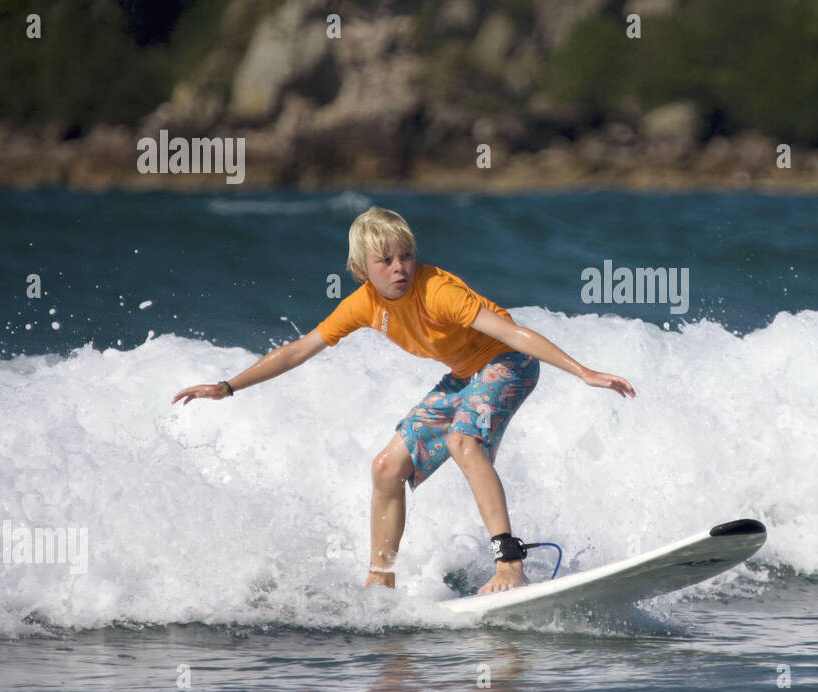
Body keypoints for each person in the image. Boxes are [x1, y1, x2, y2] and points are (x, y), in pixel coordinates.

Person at [172, 205, 635, 594]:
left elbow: (513, 333)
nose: (399, 268)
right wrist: (227, 386)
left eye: (406, 256)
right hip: (464, 376)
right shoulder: (363, 304)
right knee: (385, 467)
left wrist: (584, 372)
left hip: (508, 363)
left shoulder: (439, 292)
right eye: (386, 261)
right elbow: (298, 350)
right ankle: (381, 580)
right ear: (361, 271)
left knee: (462, 442)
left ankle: (509, 561)